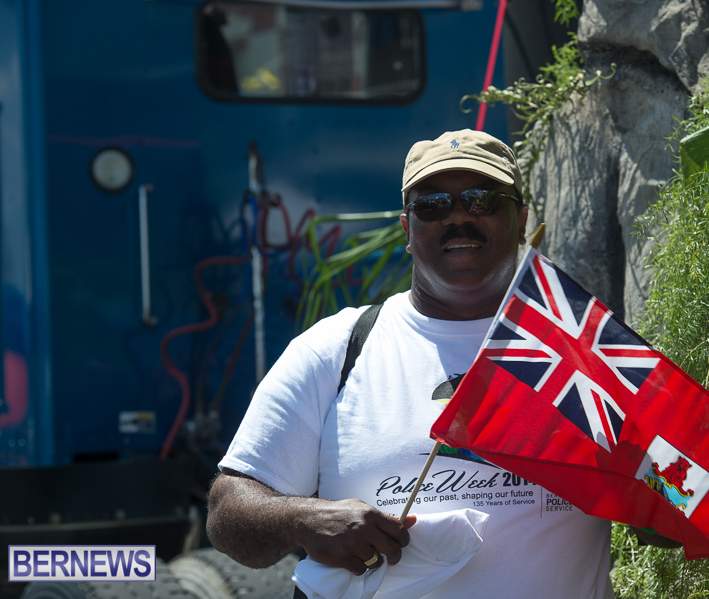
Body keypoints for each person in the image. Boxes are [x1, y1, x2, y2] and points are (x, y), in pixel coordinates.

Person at [207, 129, 618, 598]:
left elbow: (666, 499)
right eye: (432, 205)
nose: (458, 217)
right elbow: (226, 513)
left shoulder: (590, 356)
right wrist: (302, 519)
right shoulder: (336, 349)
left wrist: (663, 505)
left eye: (482, 200)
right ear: (407, 228)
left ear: (521, 220)